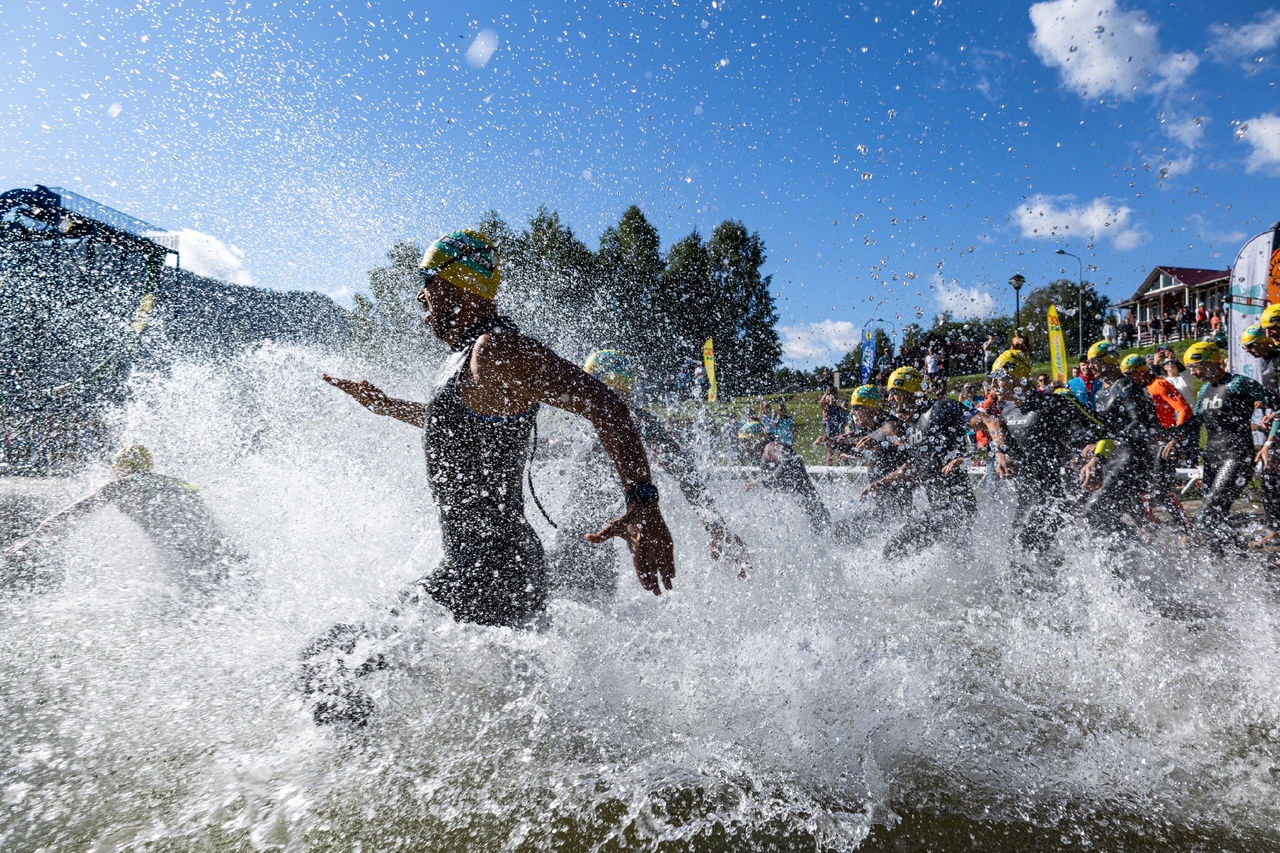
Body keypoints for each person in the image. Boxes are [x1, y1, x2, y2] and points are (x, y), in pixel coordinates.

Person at [306, 230, 676, 725]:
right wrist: (386, 406)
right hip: (490, 568)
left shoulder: (494, 349)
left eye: (427, 279)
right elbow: (457, 425)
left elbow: (605, 403)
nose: (419, 293)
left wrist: (644, 503)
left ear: (460, 285)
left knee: (327, 665)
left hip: (490, 571)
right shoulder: (469, 361)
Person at [546, 349, 748, 603]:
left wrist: (714, 524)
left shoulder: (630, 418)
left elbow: (681, 465)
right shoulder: (591, 419)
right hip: (591, 537)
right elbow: (682, 466)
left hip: (588, 538)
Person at [3, 445, 242, 592]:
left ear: (121, 468)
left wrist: (33, 539)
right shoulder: (177, 483)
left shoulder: (118, 487)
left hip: (188, 552)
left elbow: (68, 514)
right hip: (219, 548)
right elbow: (205, 517)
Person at [978, 350, 1104, 563]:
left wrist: (1094, 456)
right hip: (1026, 500)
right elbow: (1007, 448)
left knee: (1024, 550)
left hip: (1053, 500)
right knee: (1019, 557)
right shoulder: (1008, 414)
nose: (994, 386)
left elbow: (1101, 429)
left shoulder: (1053, 402)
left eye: (999, 379)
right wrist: (1002, 455)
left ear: (1019, 378)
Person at [863, 366, 976, 559]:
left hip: (957, 506)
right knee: (959, 559)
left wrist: (970, 456)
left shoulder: (941, 408)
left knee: (894, 549)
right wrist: (882, 483)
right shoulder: (914, 427)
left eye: (893, 393)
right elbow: (915, 466)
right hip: (940, 508)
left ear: (909, 391)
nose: (889, 399)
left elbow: (989, 423)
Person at [1184, 342, 1280, 551]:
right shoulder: (1204, 390)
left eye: (1195, 366)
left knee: (1206, 515)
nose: (1193, 372)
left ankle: (1234, 553)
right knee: (1217, 518)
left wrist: (1271, 427)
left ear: (1211, 361)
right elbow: (1196, 421)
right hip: (1211, 456)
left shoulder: (1239, 383)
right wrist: (1172, 436)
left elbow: (1275, 402)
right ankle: (1230, 562)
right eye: (1189, 368)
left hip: (1236, 455)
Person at [1077, 341, 1164, 537]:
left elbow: (1140, 422)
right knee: (1106, 516)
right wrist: (1089, 444)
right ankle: (1131, 556)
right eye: (1088, 363)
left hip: (1132, 458)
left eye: (1094, 361)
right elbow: (1104, 430)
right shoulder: (1100, 393)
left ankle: (1134, 551)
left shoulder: (1126, 385)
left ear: (1109, 360)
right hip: (1113, 458)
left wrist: (1106, 446)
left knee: (1094, 512)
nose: (1090, 367)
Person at [1118, 354, 1196, 530]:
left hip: (1164, 442)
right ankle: (1149, 524)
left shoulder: (1159, 384)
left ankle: (1186, 528)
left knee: (1160, 489)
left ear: (1141, 371)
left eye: (1129, 374)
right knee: (1139, 487)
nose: (1127, 379)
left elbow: (1184, 409)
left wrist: (1176, 438)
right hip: (1146, 443)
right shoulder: (1136, 389)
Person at [737, 420, 832, 533]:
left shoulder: (771, 448)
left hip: (813, 509)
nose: (741, 445)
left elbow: (789, 461)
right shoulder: (765, 453)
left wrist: (761, 483)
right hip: (808, 508)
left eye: (744, 440)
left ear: (757, 439)